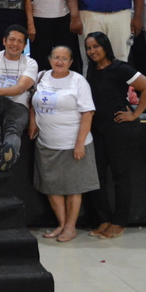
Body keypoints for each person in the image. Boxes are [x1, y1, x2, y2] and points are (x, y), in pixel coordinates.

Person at [84, 32, 146, 239]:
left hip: (119, 128)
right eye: (89, 48)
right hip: (97, 129)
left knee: (120, 176)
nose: (92, 51)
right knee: (96, 176)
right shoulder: (92, 69)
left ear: (105, 46)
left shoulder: (120, 68)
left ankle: (119, 222)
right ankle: (104, 219)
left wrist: (134, 113)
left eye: (96, 46)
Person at [29, 46, 98, 242]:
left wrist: (80, 143)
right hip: (46, 143)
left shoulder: (78, 81)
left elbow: (88, 113)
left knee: (73, 187)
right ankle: (61, 224)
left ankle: (71, 227)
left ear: (71, 62)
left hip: (72, 144)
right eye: (56, 58)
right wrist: (33, 121)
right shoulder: (41, 77)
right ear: (49, 59)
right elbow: (32, 102)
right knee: (52, 187)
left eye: (64, 59)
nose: (60, 62)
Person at [0, 25, 38, 171]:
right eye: (12, 39)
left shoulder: (30, 63)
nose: (15, 44)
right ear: (4, 41)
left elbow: (20, 88)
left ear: (24, 45)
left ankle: (10, 151)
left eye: (20, 41)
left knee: (13, 127)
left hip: (18, 104)